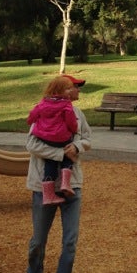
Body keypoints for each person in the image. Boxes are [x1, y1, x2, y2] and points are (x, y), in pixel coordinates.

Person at [26, 74, 91, 273]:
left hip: (72, 185)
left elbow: (87, 139)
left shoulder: (77, 114)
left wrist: (77, 146)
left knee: (70, 242)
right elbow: (31, 145)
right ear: (64, 90)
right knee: (39, 240)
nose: (78, 92)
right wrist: (61, 154)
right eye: (75, 88)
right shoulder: (42, 110)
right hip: (44, 185)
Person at [27, 76, 79, 205]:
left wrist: (31, 121)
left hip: (45, 138)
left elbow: (32, 116)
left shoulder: (43, 103)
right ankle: (65, 183)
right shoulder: (67, 105)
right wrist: (74, 130)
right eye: (68, 89)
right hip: (61, 138)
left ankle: (48, 195)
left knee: (50, 163)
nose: (71, 91)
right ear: (59, 90)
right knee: (67, 155)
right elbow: (71, 122)